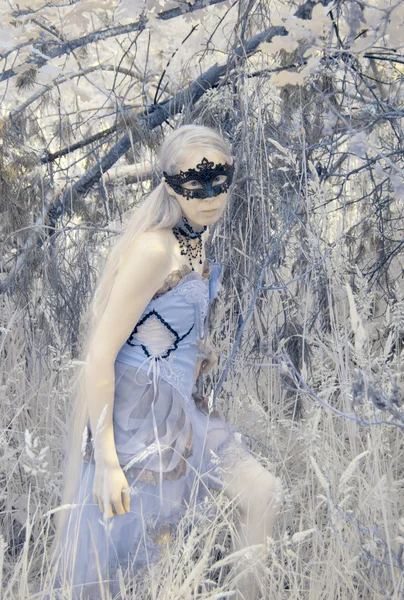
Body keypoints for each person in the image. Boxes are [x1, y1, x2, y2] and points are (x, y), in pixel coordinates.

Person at [48, 124, 283, 599]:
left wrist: (198, 349)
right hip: (139, 417)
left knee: (264, 494)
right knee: (137, 560)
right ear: (171, 185)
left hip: (179, 409)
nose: (211, 197)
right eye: (196, 187)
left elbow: (165, 320)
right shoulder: (154, 249)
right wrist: (108, 459)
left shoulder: (195, 238)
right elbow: (100, 355)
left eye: (221, 183)